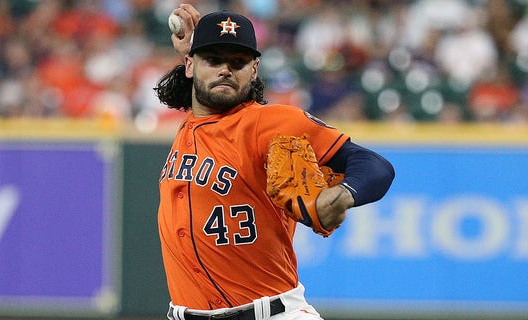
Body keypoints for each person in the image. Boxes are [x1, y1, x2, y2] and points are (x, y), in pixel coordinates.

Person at [154, 5, 395, 320]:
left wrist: (344, 194)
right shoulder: (192, 123)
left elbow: (373, 164)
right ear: (189, 65)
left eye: (237, 62)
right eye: (213, 60)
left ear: (253, 70)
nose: (225, 69)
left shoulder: (271, 122)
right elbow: (197, 96)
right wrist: (193, 54)